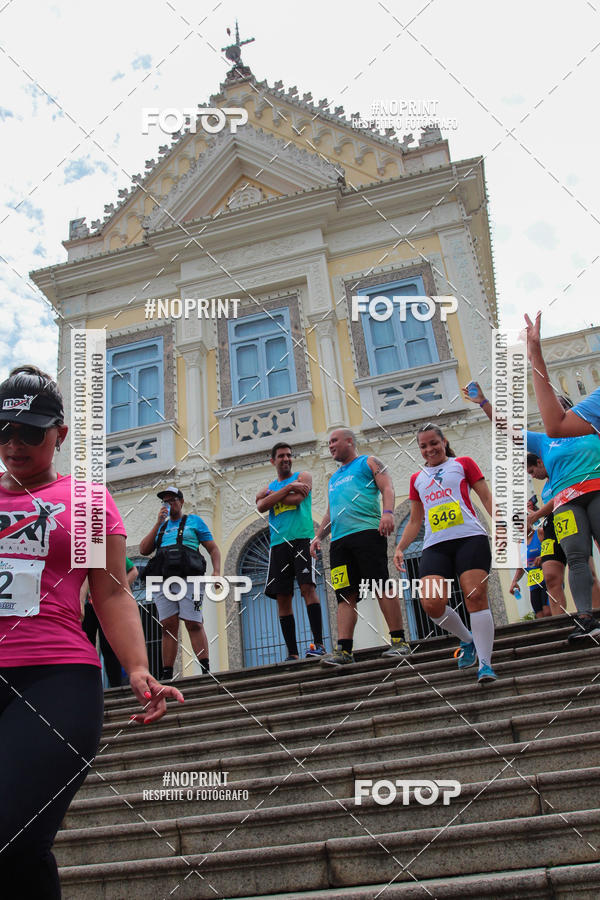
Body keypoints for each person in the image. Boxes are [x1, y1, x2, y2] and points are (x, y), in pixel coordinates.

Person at [0, 365, 183, 899]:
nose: (15, 445)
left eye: (31, 432)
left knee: (12, 826)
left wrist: (138, 667)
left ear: (59, 433)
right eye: (3, 432)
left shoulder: (86, 502)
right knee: (21, 848)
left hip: (55, 678)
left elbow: (109, 592)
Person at [468, 371, 600, 640]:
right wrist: (483, 402)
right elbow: (506, 429)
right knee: (576, 558)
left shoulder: (592, 428)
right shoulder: (543, 440)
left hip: (597, 491)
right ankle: (586, 619)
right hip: (566, 503)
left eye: (560, 407)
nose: (555, 413)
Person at [394, 423, 497, 684]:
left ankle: (485, 664)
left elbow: (485, 497)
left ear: (444, 441)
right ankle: (467, 640)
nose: (430, 449)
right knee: (431, 603)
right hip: (435, 544)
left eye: (433, 443)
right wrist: (400, 548)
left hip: (470, 538)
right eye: (423, 446)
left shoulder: (463, 464)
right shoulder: (417, 479)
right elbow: (416, 521)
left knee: (475, 596)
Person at [310, 428, 410, 666]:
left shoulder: (369, 461)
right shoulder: (333, 478)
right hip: (340, 543)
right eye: (329, 442)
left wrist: (387, 513)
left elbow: (387, 487)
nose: (331, 446)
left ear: (349, 441)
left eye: (334, 441)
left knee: (380, 585)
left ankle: (399, 642)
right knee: (344, 594)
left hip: (366, 533)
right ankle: (344, 651)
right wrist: (318, 537)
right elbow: (330, 513)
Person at [139, 486, 220, 680]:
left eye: (173, 499)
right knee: (167, 625)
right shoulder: (161, 526)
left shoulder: (195, 522)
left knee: (193, 622)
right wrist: (158, 522)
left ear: (181, 502)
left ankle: (205, 669)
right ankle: (167, 674)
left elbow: (213, 549)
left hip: (189, 578)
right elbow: (143, 550)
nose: (169, 503)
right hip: (163, 579)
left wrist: (216, 572)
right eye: (165, 501)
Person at [255, 442, 326, 660]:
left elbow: (296, 498)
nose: (286, 459)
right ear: (273, 460)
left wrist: (270, 497)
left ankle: (319, 645)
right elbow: (260, 506)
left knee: (307, 589)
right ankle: (292, 653)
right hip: (278, 544)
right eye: (281, 456)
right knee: (283, 598)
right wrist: (286, 488)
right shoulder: (274, 485)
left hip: (301, 539)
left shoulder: (303, 475)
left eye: (288, 455)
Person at [81, 557, 139, 687]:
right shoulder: (84, 551)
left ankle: (116, 685)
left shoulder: (108, 551)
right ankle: (89, 684)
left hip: (107, 604)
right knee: (86, 645)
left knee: (108, 646)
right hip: (89, 604)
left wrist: (118, 590)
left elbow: (134, 571)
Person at [509, 499, 551, 619]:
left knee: (548, 612)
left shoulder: (540, 533)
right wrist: (514, 581)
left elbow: (553, 551)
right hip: (533, 583)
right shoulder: (520, 542)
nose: (521, 526)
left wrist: (543, 556)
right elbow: (521, 565)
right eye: (518, 525)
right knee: (539, 615)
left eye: (523, 522)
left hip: (547, 579)